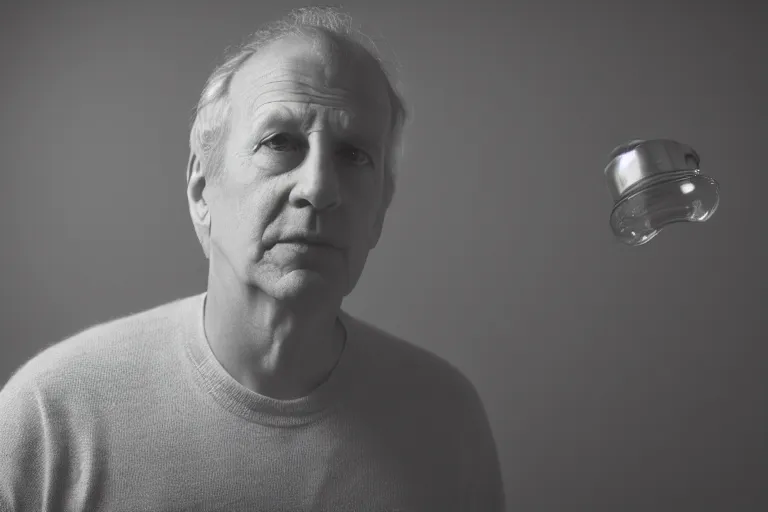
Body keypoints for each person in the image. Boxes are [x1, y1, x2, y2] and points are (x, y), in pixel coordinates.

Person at [0, 6, 505, 511]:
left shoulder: (446, 421)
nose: (319, 188)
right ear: (202, 189)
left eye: (354, 154)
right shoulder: (49, 419)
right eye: (279, 142)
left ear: (380, 210)